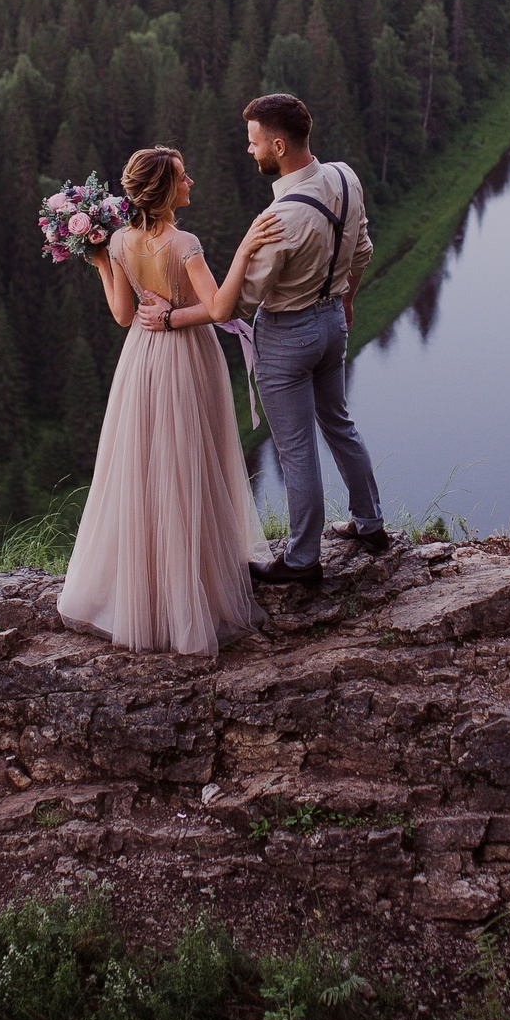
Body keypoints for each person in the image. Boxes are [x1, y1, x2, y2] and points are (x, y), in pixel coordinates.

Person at [142, 92, 386, 587]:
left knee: (296, 450)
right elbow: (362, 247)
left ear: (278, 145)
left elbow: (231, 305)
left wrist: (170, 319)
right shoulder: (344, 176)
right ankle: (371, 526)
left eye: (254, 142)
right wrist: (348, 299)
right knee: (339, 423)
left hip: (286, 338)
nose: (249, 150)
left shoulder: (280, 220)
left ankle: (301, 560)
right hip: (332, 322)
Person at [57, 146, 282, 655]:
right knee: (188, 465)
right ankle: (189, 593)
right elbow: (221, 306)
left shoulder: (117, 241)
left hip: (141, 360)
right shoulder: (184, 243)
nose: (192, 183)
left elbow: (121, 315)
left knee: (145, 468)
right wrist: (245, 248)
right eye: (183, 177)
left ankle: (145, 594)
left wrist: (99, 263)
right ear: (164, 193)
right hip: (185, 359)